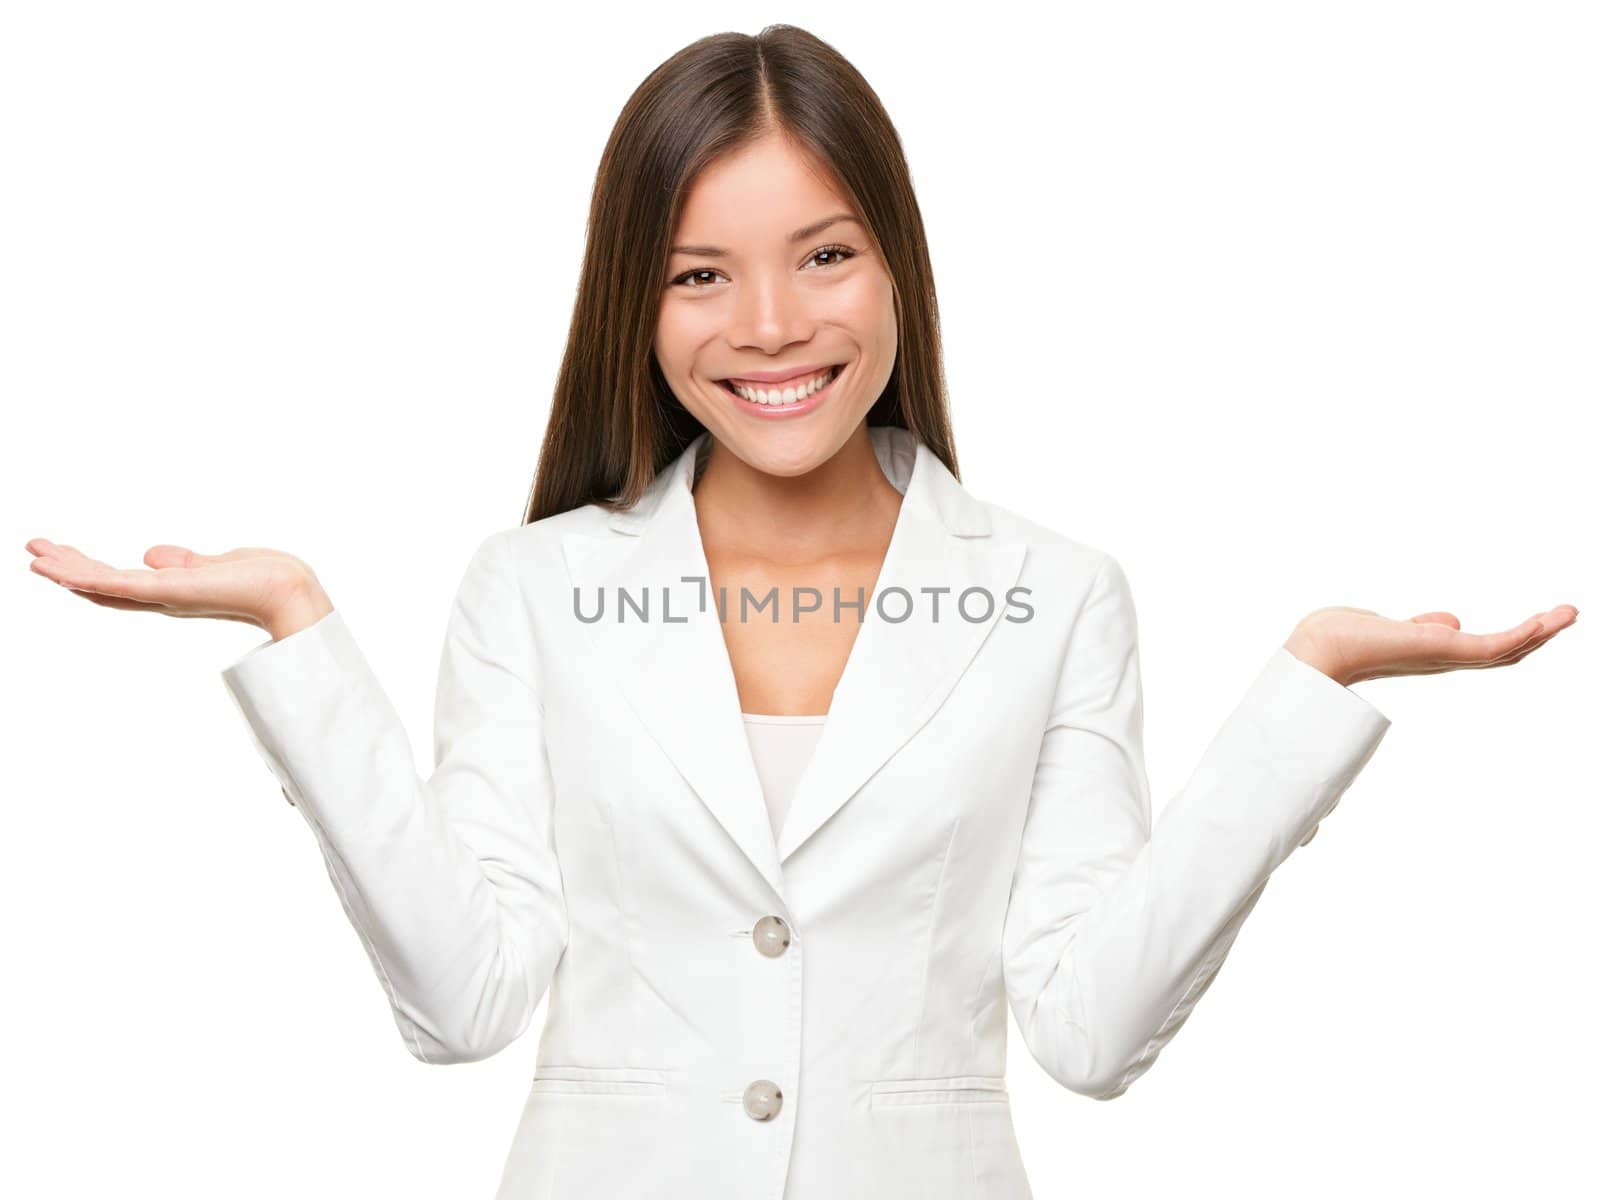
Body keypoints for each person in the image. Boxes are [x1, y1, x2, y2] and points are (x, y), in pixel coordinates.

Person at [24, 24, 1576, 1200]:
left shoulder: (1054, 595)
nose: (771, 326)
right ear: (637, 301)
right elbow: (466, 1002)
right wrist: (298, 633)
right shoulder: (535, 589)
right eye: (701, 275)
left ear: (897, 263)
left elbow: (1091, 1034)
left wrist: (1311, 687)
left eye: (824, 255)